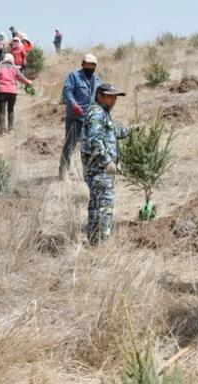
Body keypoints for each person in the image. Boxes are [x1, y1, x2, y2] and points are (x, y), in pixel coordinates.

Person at [81, 83, 130, 245]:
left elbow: (115, 131)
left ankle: (94, 242)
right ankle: (102, 243)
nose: (113, 100)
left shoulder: (103, 113)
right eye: (110, 96)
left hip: (100, 169)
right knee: (104, 206)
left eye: (115, 97)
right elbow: (95, 140)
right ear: (100, 96)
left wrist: (134, 130)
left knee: (96, 205)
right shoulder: (96, 113)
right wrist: (107, 161)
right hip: (99, 169)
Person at [60, 53, 101, 179]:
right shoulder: (74, 76)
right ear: (83, 64)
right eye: (88, 64)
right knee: (69, 145)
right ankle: (63, 172)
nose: (90, 67)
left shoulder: (98, 80)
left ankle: (86, 172)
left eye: (93, 65)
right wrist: (73, 104)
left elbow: (100, 97)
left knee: (87, 147)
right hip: (75, 118)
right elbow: (67, 91)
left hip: (90, 119)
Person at [0, 53, 32, 133]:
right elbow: (20, 77)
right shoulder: (15, 68)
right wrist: (28, 82)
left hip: (1, 91)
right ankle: (11, 129)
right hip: (12, 91)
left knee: (2, 111)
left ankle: (2, 129)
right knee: (11, 110)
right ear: (12, 60)